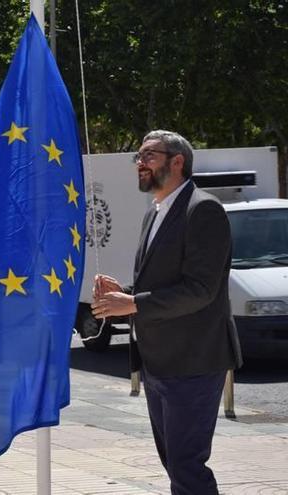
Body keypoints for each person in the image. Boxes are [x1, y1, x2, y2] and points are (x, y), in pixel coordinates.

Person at [91, 130, 242, 495]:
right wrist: (123, 294)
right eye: (139, 157)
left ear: (178, 162)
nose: (140, 163)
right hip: (158, 363)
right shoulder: (155, 213)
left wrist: (135, 304)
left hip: (193, 361)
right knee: (174, 463)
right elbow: (163, 282)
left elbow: (200, 290)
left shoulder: (203, 209)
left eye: (149, 156)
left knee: (187, 465)